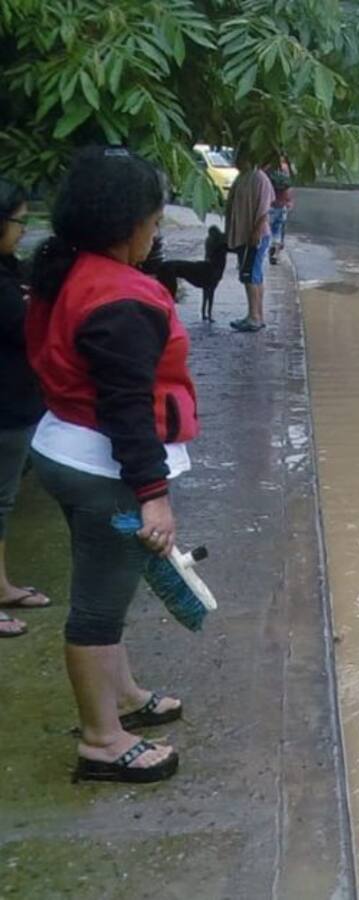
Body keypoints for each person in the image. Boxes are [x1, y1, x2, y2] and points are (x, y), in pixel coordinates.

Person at [27, 146, 198, 783]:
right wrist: (153, 494)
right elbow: (127, 407)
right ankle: (101, 740)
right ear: (128, 224)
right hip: (104, 470)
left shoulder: (69, 270)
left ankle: (123, 696)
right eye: (154, 222)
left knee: (109, 592)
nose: (156, 235)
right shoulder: (119, 299)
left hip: (66, 446)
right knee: (98, 608)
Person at [0, 177, 49, 639]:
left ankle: (2, 585)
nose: (22, 229)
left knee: (4, 500)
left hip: (16, 406)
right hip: (6, 407)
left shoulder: (10, 272)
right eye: (18, 220)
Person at [223, 148, 274, 332]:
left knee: (250, 274)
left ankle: (255, 316)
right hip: (245, 234)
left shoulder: (259, 178)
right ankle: (255, 314)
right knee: (253, 275)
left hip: (255, 235)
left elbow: (264, 210)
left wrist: (256, 232)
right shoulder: (243, 177)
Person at [267, 159, 293, 266]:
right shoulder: (286, 168)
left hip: (270, 204)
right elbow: (289, 188)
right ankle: (275, 254)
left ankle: (270, 247)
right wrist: (289, 202)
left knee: (268, 230)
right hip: (282, 205)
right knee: (277, 230)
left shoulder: (268, 168)